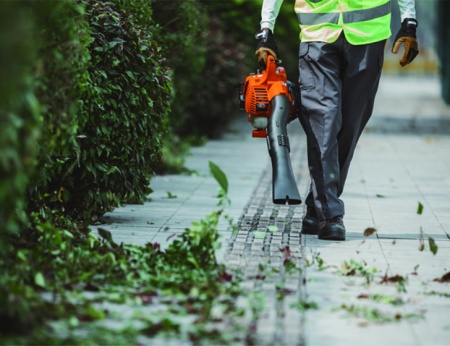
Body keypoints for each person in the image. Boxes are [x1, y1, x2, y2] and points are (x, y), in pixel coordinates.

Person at [255, 0, 419, 241]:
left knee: (351, 125)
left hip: (368, 37)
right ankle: (330, 215)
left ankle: (317, 204)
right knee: (324, 122)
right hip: (317, 37)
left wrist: (409, 21)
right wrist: (265, 29)